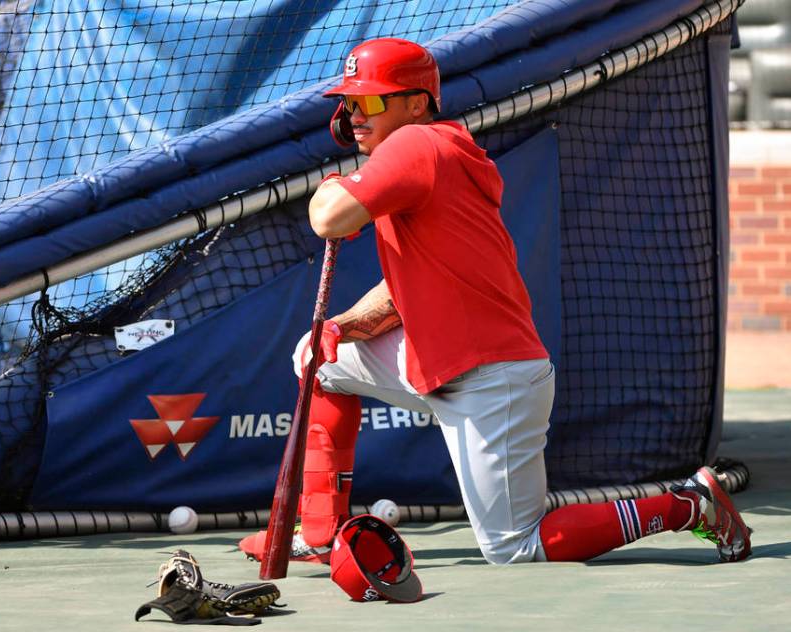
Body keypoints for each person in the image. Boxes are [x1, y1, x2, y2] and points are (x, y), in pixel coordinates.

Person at [239, 38, 751, 565]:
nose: (353, 117)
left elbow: (328, 218)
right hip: (437, 363)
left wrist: (331, 184)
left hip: (491, 377)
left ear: (417, 103)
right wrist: (341, 328)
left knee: (514, 547)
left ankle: (688, 505)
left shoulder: (416, 145)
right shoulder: (424, 155)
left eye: (369, 102)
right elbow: (401, 291)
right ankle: (322, 532)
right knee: (320, 359)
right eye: (347, 104)